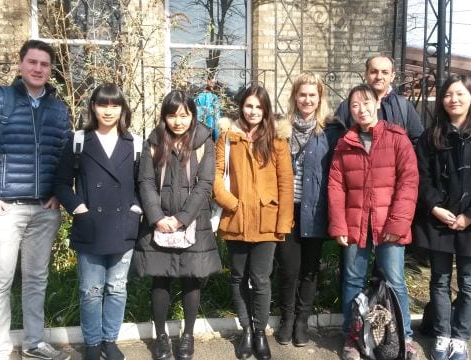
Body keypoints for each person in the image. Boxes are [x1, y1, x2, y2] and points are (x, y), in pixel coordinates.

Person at [0, 40, 71, 360]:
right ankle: (2, 349)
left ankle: (34, 344)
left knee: (36, 280)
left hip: (44, 210)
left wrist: (56, 195)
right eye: (32, 62)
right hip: (4, 208)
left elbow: (64, 158)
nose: (38, 69)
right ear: (20, 64)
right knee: (1, 281)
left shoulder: (58, 110)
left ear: (51, 70)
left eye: (45, 64)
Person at [413, 75, 471, 360]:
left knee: (469, 282)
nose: (454, 99)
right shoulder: (431, 136)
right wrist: (435, 207)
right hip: (438, 220)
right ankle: (442, 334)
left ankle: (460, 337)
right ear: (442, 100)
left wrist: (469, 216)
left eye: (460, 94)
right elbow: (422, 178)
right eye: (448, 94)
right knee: (439, 280)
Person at [327, 84, 419, 360]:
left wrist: (397, 224)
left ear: (377, 103)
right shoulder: (345, 143)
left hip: (389, 225)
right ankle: (352, 337)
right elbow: (335, 186)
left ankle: (404, 338)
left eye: (366, 103)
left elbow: (409, 182)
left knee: (395, 281)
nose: (361, 109)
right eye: (355, 105)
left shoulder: (396, 138)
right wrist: (339, 225)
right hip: (356, 224)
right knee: (353, 281)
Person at [132, 90, 222, 360]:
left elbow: (205, 184)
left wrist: (182, 218)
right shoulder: (153, 141)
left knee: (192, 279)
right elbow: (145, 181)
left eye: (184, 115)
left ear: (192, 115)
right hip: (158, 222)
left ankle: (187, 336)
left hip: (193, 222)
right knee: (160, 280)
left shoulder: (205, 141)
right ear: (164, 117)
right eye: (172, 115)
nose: (178, 121)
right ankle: (161, 337)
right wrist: (157, 218)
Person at [53, 84, 139, 360]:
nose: (109, 111)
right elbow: (62, 183)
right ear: (93, 107)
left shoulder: (135, 143)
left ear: (122, 109)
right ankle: (92, 343)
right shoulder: (79, 141)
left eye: (115, 105)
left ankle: (109, 340)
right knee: (90, 290)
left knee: (116, 288)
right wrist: (78, 207)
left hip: (123, 226)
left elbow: (144, 183)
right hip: (90, 226)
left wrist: (136, 209)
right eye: (103, 105)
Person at [213, 85, 294, 360]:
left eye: (259, 107)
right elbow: (216, 175)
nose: (253, 111)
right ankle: (245, 330)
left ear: (266, 110)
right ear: (241, 107)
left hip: (266, 220)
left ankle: (260, 333)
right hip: (236, 218)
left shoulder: (277, 140)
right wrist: (232, 203)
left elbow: (285, 182)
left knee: (260, 279)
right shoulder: (227, 136)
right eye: (249, 106)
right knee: (238, 277)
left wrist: (283, 222)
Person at [274, 72, 336, 347]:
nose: (307, 99)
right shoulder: (280, 129)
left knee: (310, 269)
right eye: (303, 94)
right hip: (288, 210)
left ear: (319, 98)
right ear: (294, 97)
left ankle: (302, 321)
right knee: (288, 268)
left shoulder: (330, 131)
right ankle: (287, 319)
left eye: (312, 95)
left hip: (315, 211)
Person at [334, 55, 424, 145]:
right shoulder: (347, 106)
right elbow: (336, 142)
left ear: (392, 76)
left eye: (385, 72)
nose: (379, 77)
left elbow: (418, 142)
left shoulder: (404, 106)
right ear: (366, 74)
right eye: (374, 72)